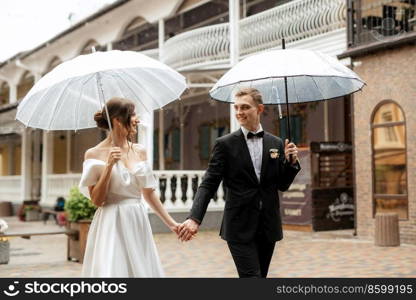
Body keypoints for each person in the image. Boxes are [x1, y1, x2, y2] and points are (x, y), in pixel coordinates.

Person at [178, 88, 301, 278]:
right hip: (239, 225)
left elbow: (281, 185)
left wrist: (291, 163)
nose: (239, 112)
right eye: (236, 108)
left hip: (268, 225)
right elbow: (208, 184)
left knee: (260, 276)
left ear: (260, 109)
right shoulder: (225, 144)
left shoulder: (276, 143)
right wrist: (194, 218)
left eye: (245, 107)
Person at [79, 97, 179, 277]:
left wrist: (172, 224)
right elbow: (97, 200)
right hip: (111, 222)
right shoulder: (93, 154)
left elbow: (149, 194)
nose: (137, 118)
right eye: (132, 114)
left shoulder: (140, 150)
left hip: (137, 219)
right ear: (117, 120)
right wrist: (109, 166)